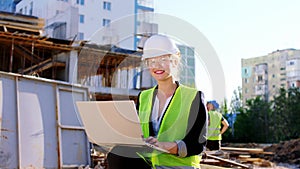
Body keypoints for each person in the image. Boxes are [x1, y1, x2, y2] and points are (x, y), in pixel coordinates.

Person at [136, 34, 208, 169]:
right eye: (151, 61)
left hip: (179, 166)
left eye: (163, 60)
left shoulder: (193, 97)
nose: (157, 66)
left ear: (175, 61)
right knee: (117, 156)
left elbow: (197, 144)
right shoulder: (143, 97)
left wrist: (165, 146)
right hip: (150, 165)